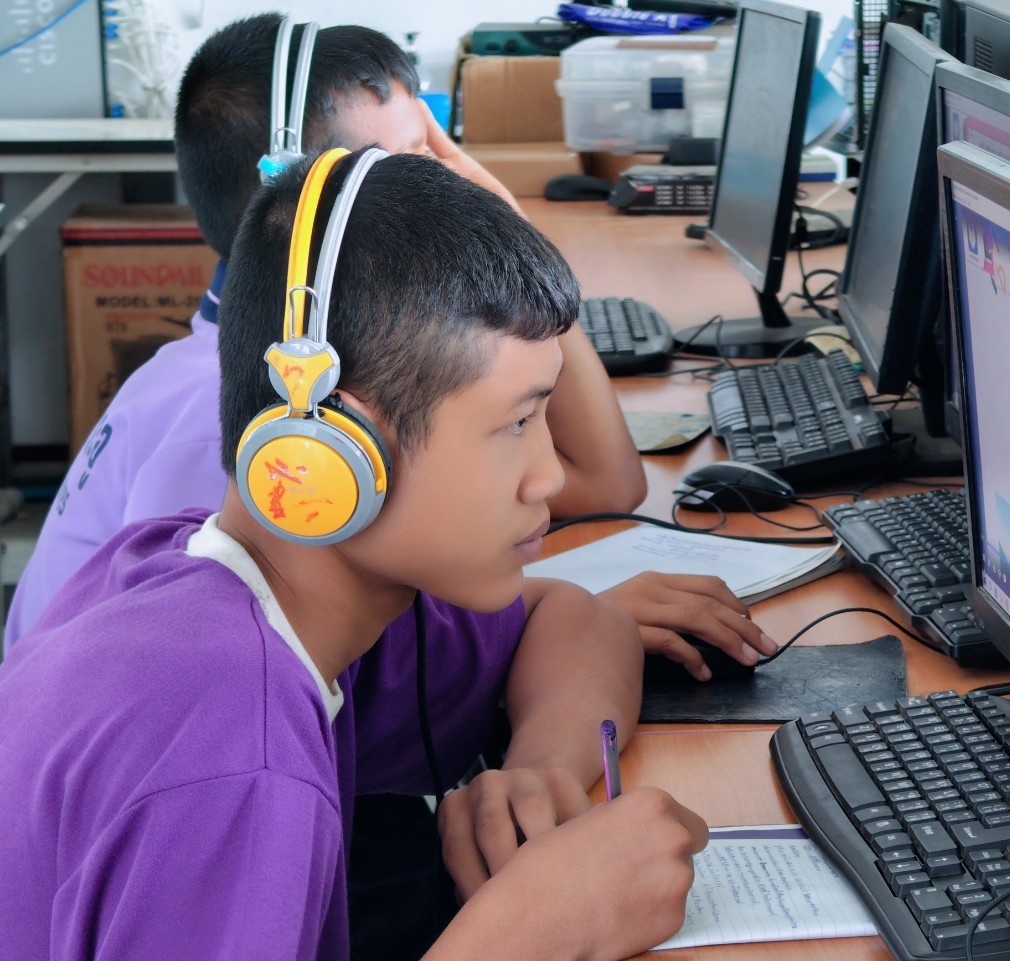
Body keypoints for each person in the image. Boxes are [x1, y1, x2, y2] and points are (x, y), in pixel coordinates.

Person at [0, 147, 709, 960]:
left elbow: (577, 618)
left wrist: (537, 771)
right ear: (332, 452)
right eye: (517, 422)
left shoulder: (214, 581)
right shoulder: (237, 762)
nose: (549, 474)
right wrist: (539, 926)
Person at [3, 13, 776, 681]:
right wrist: (561, 622)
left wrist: (505, 245)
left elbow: (606, 486)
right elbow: (189, 667)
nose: (449, 184)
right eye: (411, 165)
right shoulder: (260, 422)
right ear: (302, 200)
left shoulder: (272, 365)